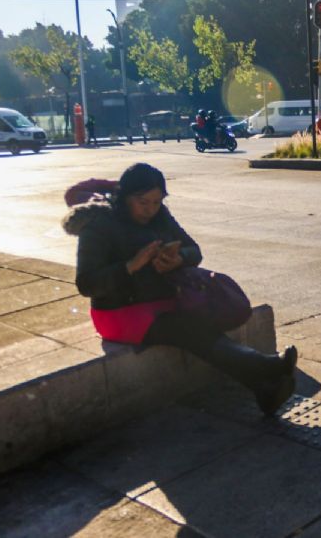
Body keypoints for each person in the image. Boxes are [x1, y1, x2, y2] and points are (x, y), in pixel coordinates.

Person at [65, 163, 298, 416]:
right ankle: (267, 367)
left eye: (156, 202)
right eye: (143, 202)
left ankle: (263, 390)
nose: (150, 210)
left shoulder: (160, 215)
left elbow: (194, 249)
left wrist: (179, 259)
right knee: (190, 330)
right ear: (125, 196)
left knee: (201, 326)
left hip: (161, 300)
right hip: (119, 312)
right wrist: (131, 266)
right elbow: (87, 283)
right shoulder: (99, 224)